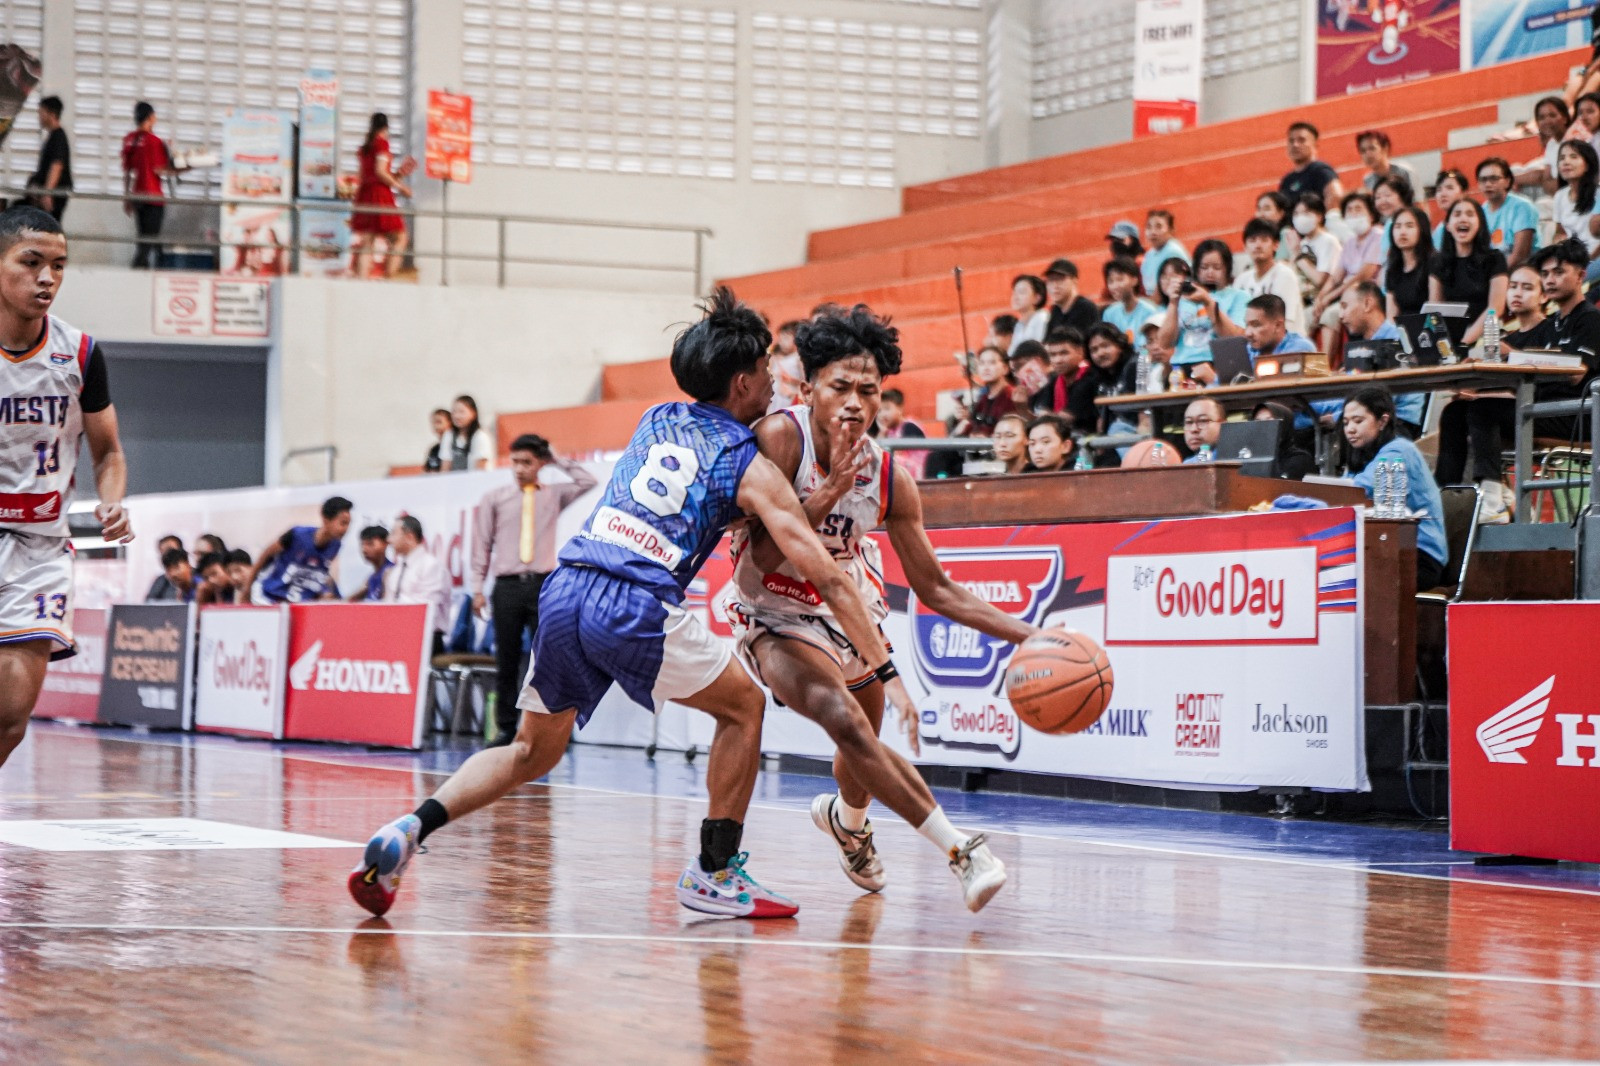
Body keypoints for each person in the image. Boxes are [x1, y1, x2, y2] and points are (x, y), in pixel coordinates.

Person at [348, 288, 938, 921]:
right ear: (742, 383)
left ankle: (412, 825)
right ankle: (715, 872)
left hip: (566, 587)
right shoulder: (747, 459)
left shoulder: (655, 417)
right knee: (743, 707)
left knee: (530, 752)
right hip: (632, 597)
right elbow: (815, 564)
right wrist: (884, 668)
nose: (775, 382)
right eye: (766, 370)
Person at [728, 304, 1028, 909]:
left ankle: (848, 822)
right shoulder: (780, 438)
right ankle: (962, 851)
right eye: (840, 386)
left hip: (847, 605)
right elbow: (764, 555)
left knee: (858, 751)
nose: (854, 403)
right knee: (843, 718)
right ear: (808, 389)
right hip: (773, 606)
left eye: (868, 391)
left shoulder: (891, 478)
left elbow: (937, 589)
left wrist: (1031, 636)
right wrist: (830, 491)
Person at [0, 205, 132, 770]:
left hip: (39, 550)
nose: (47, 278)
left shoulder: (79, 353)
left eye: (58, 265)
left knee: (10, 717)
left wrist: (112, 499)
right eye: (31, 263)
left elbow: (110, 451)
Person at [470, 432, 598, 746]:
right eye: (515, 462)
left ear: (540, 463)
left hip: (543, 585)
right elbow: (481, 545)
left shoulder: (553, 494)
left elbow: (588, 481)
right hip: (507, 586)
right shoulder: (495, 498)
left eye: (527, 462)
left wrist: (556, 458)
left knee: (549, 658)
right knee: (507, 659)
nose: (519, 468)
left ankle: (555, 727)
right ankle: (506, 728)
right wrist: (477, 588)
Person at [1433, 263, 1546, 523]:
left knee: (1481, 410)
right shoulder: (1507, 338)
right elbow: (1498, 387)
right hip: (1503, 411)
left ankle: (1493, 496)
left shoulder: (1548, 331)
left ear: (1543, 296)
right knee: (1453, 412)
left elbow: (1539, 385)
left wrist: (1510, 358)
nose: (1517, 293)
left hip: (1538, 413)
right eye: (1513, 287)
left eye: (1527, 288)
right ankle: (1445, 494)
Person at [1343, 386, 1447, 590]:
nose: (1350, 429)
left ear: (1382, 421)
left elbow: (1359, 490)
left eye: (1358, 421)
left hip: (1418, 556)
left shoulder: (1400, 450)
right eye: (1346, 423)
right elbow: (1341, 492)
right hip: (1383, 548)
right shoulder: (1360, 456)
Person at [1502, 240, 1600, 442]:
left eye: (1558, 272)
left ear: (1581, 276)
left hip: (1577, 414)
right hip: (1542, 407)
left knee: (1485, 413)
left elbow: (1576, 373)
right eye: (1545, 274)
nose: (1550, 280)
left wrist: (1514, 355)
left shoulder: (1590, 318)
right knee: (1457, 411)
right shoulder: (1550, 323)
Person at [1340, 281, 1423, 436]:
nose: (1341, 315)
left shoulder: (1398, 340)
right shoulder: (1361, 348)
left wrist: (1336, 415)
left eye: (1345, 306)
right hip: (1365, 419)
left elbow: (1386, 397)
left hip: (1397, 423)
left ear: (1367, 304)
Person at [1154, 243, 1247, 376]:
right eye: (1204, 267)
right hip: (1181, 366)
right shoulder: (1183, 298)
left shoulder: (1239, 296)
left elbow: (1233, 339)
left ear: (1227, 269)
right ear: (1196, 270)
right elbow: (1165, 343)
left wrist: (1207, 302)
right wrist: (1173, 303)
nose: (1210, 272)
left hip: (1219, 364)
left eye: (1217, 267)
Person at [1429, 198, 1508, 349]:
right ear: (1447, 225)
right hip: (1449, 341)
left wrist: (1465, 341)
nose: (1463, 219)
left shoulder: (1495, 259)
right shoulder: (1437, 262)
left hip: (1485, 337)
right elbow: (1435, 309)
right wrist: (1444, 346)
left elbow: (1496, 308)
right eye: (1457, 214)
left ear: (1480, 224)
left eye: (1470, 214)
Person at [1311, 192, 1384, 348]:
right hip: (1346, 294)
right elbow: (1335, 277)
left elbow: (1363, 275)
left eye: (1358, 209)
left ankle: (1326, 363)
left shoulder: (1378, 236)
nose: (1353, 213)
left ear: (1371, 214)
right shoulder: (1350, 242)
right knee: (1311, 313)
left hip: (1367, 293)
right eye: (1349, 210)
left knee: (1330, 314)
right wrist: (1320, 297)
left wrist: (1329, 297)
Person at [247, 496, 352, 604]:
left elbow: (321, 573)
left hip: (294, 601)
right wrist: (246, 591)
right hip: (268, 596)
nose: (346, 529)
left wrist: (325, 593)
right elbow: (264, 556)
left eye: (349, 524)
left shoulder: (335, 546)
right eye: (343, 523)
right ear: (326, 520)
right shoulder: (297, 535)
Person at [350, 112, 412, 280]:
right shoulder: (382, 144)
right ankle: (388, 278)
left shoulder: (365, 148)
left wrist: (398, 174)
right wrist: (401, 187)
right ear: (386, 128)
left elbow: (366, 175)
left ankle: (362, 280)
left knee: (367, 241)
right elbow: (380, 172)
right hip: (380, 196)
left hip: (365, 195)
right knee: (400, 237)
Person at [121, 102, 178, 269]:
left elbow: (127, 172)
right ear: (151, 117)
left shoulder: (130, 140)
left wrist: (127, 197)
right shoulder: (154, 142)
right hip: (153, 198)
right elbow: (161, 169)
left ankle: (145, 270)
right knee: (148, 242)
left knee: (144, 238)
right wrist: (186, 167)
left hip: (138, 196)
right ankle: (137, 270)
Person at [385, 516, 451, 657]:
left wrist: (394, 608)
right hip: (396, 635)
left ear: (409, 537)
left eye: (394, 533)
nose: (389, 540)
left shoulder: (431, 566)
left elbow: (426, 610)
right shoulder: (396, 570)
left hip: (426, 638)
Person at [1234, 218, 1307, 337]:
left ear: (1276, 245)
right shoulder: (1241, 280)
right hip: (1253, 341)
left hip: (1287, 342)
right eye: (1252, 240)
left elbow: (1284, 322)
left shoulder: (1285, 275)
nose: (1258, 245)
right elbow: (1237, 321)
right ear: (1245, 247)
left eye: (1264, 240)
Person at [1475, 157, 1539, 271]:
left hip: (1523, 272)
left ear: (1508, 181)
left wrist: (1496, 277)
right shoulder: (1479, 212)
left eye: (1494, 178)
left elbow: (1520, 256)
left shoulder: (1522, 207)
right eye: (1483, 180)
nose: (1488, 184)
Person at [1550, 140, 1600, 281]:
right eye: (1562, 158)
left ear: (1588, 165)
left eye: (1573, 157)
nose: (1566, 162)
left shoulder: (1598, 194)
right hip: (1573, 260)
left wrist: (1587, 260)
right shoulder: (1560, 196)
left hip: (1595, 259)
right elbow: (1560, 232)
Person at [1515, 96, 1579, 194]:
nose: (1547, 121)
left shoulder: (1575, 142)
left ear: (1565, 118)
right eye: (1542, 118)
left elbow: (1570, 181)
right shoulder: (1551, 144)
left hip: (1572, 194)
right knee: (1514, 170)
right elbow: (1546, 178)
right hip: (1556, 193)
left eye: (1552, 115)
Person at [1287, 193, 1342, 303]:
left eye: (1306, 213)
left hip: (1326, 301)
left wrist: (1298, 255)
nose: (1300, 218)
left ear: (1319, 216)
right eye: (1296, 214)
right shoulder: (1301, 243)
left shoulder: (1328, 241)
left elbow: (1320, 280)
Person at [951, 345, 1017, 437]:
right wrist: (966, 419)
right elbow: (977, 423)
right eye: (982, 363)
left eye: (992, 363)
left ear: (1005, 368)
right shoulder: (985, 397)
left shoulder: (1012, 396)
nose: (986, 368)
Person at [1279, 121, 1345, 209]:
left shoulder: (1320, 171)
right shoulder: (1287, 180)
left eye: (1301, 140)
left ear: (1315, 144)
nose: (1295, 145)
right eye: (1291, 141)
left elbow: (1336, 196)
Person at [1385, 204, 1434, 319]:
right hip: (1402, 327)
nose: (1402, 232)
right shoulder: (1393, 269)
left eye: (1409, 226)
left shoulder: (1434, 262)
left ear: (1422, 229)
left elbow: (1435, 309)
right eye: (1397, 226)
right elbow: (1391, 316)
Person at [1100, 257, 1159, 352]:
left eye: (1120, 279)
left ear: (1135, 280)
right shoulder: (1109, 313)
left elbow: (1147, 348)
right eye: (1111, 281)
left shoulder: (1149, 311)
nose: (1115, 286)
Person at [26, 96, 70, 221]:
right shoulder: (53, 137)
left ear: (52, 114)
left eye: (42, 113)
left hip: (54, 194)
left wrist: (47, 193)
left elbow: (57, 165)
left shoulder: (58, 138)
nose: (39, 117)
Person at [1241, 294, 1315, 368]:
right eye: (1247, 325)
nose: (1248, 333)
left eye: (1256, 325)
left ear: (1277, 326)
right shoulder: (1246, 350)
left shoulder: (1300, 348)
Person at [1250, 401, 1316, 480]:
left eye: (1270, 421)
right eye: (1258, 422)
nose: (1263, 427)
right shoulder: (1251, 457)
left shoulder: (1299, 459)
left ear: (1284, 425)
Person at [875, 387, 925, 479]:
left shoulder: (909, 426)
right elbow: (876, 451)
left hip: (917, 477)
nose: (882, 414)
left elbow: (897, 455)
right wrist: (882, 432)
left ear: (900, 408)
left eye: (887, 409)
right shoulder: (889, 431)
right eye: (879, 411)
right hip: (902, 475)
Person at [1043, 258, 1099, 336]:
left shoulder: (1085, 308)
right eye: (1051, 280)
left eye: (1060, 280)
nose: (1055, 286)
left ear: (1074, 281)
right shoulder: (1055, 311)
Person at [1140, 209, 1189, 296]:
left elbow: (1161, 293)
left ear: (1171, 230)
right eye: (1149, 227)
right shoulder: (1149, 254)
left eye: (1158, 227)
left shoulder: (1173, 252)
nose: (1153, 232)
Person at [440, 394, 491, 472]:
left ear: (473, 413)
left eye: (461, 412)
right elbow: (445, 468)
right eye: (454, 412)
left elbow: (480, 469)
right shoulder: (448, 435)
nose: (457, 416)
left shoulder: (480, 436)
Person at [1358, 129, 1414, 194]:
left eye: (1372, 148)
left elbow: (1418, 199)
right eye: (1363, 151)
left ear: (1385, 148)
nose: (1368, 155)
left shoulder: (1404, 172)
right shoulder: (1368, 180)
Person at [1428, 169, 1470, 248]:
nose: (1443, 194)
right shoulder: (1440, 230)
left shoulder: (1472, 222)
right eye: (1439, 190)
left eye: (1450, 188)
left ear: (1464, 193)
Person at [349, 525, 391, 602]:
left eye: (370, 544)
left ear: (385, 544)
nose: (364, 550)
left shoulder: (391, 572)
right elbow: (349, 600)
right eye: (362, 544)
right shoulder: (371, 578)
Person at [769, 320, 804, 412]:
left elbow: (804, 381)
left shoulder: (798, 358)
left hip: (790, 397)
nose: (782, 342)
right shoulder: (774, 357)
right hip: (775, 397)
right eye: (780, 338)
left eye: (786, 338)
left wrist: (791, 382)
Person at [1008, 274, 1049, 351]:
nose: (1015, 297)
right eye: (1014, 293)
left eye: (1021, 292)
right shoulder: (1019, 325)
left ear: (1037, 298)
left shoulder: (1042, 319)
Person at [1254, 190, 1295, 263]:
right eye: (1259, 209)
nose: (1261, 214)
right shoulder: (1256, 237)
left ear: (1281, 213)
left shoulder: (1286, 234)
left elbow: (1284, 261)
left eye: (1267, 209)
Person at [1181, 396, 1225, 462]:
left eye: (1203, 421)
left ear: (1223, 425)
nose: (1194, 429)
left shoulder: (1234, 462)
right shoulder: (1188, 463)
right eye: (1188, 422)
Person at [144, 534, 183, 600]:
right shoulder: (161, 580)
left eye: (169, 550)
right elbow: (149, 602)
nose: (166, 555)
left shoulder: (196, 577)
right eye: (162, 552)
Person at [422, 408, 452, 473]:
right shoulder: (434, 449)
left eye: (439, 422)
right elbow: (427, 471)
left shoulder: (455, 447)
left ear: (450, 423)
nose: (435, 426)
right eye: (433, 422)